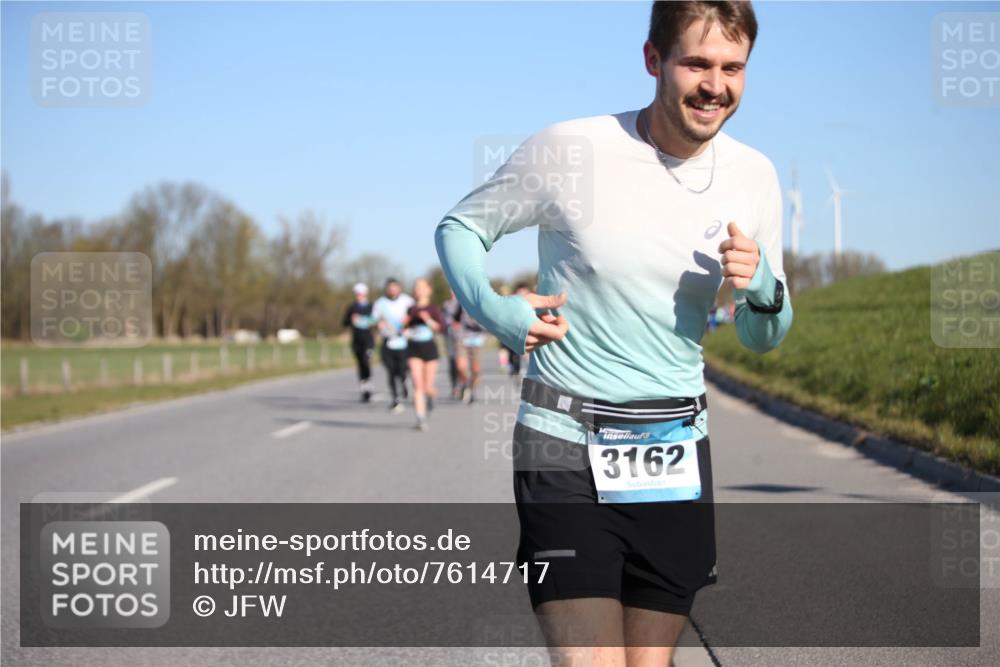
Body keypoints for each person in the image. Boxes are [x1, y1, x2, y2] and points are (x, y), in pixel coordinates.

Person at [434, 2, 793, 665]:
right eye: (696, 64)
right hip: (563, 440)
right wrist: (495, 311)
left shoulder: (756, 176)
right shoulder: (571, 149)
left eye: (733, 68)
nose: (715, 85)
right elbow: (460, 228)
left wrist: (766, 288)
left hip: (674, 448)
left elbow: (762, 334)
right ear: (653, 59)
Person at [403, 278, 446, 431]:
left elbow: (441, 328)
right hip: (414, 348)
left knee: (428, 387)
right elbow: (404, 329)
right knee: (417, 384)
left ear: (429, 290)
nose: (418, 290)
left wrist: (428, 320)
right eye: (416, 287)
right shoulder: (411, 309)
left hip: (429, 349)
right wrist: (405, 325)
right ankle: (420, 418)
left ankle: (431, 397)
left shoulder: (433, 309)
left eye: (422, 287)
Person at [372, 277, 415, 413]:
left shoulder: (408, 301)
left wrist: (408, 323)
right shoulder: (380, 303)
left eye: (394, 287)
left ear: (399, 288)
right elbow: (374, 319)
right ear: (387, 289)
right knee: (390, 371)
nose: (392, 290)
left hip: (403, 341)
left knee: (402, 370)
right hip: (387, 340)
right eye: (390, 287)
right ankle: (395, 399)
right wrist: (378, 324)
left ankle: (404, 382)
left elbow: (415, 317)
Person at [341, 282, 375, 402]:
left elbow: (376, 320)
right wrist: (351, 319)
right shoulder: (352, 307)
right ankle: (363, 388)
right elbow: (344, 323)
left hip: (368, 340)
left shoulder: (371, 307)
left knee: (366, 361)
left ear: (365, 294)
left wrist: (367, 320)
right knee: (360, 363)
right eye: (357, 294)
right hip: (356, 340)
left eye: (361, 294)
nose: (359, 296)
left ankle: (368, 383)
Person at [441, 290, 464, 399]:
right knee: (452, 362)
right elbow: (443, 319)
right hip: (450, 337)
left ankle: (464, 385)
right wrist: (451, 323)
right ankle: (454, 386)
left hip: (462, 338)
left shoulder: (464, 304)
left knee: (461, 364)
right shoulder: (446, 305)